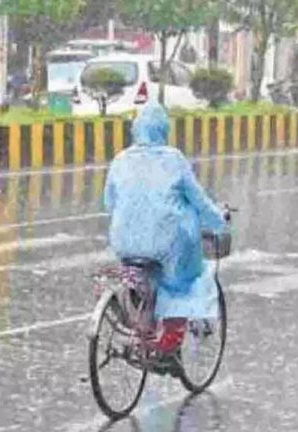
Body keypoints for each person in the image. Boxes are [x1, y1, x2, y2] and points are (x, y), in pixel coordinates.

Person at [104, 102, 226, 354]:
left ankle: (142, 329)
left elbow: (109, 202)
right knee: (188, 278)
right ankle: (169, 342)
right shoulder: (173, 159)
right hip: (165, 244)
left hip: (124, 242)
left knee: (145, 279)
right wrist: (218, 222)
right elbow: (199, 201)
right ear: (164, 130)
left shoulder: (120, 159)